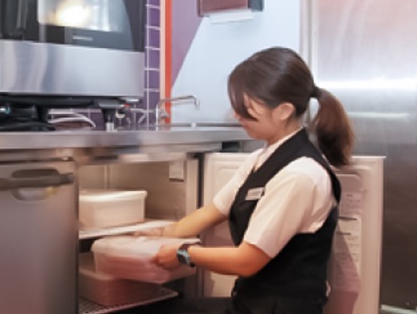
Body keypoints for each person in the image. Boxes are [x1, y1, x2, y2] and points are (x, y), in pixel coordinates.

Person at [151, 46, 354, 313]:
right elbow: (213, 211)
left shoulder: (300, 175)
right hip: (251, 305)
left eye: (246, 107)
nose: (237, 115)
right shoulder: (261, 158)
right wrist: (155, 234)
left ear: (283, 110)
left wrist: (183, 253)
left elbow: (246, 261)